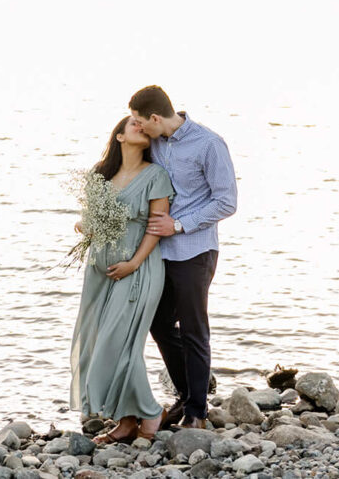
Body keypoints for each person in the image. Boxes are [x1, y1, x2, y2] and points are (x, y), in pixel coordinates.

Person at [129, 84, 238, 430]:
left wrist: (178, 224)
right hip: (160, 253)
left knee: (194, 329)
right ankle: (188, 391)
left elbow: (227, 202)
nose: (139, 128)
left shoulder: (209, 144)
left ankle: (196, 412)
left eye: (140, 122)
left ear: (156, 117)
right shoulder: (155, 142)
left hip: (195, 249)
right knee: (158, 323)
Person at [68, 115, 175, 444]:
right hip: (99, 273)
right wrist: (85, 225)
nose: (140, 127)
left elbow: (157, 227)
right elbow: (86, 222)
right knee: (99, 343)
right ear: (118, 136)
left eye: (143, 124)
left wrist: (133, 263)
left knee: (120, 344)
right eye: (133, 124)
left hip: (139, 270)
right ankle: (127, 422)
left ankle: (151, 411)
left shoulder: (155, 175)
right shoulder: (99, 175)